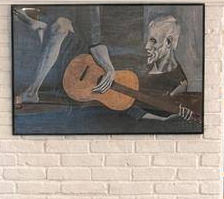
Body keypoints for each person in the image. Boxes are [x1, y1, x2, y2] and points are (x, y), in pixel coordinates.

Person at [13, 6, 197, 122]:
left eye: (153, 41)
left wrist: (163, 119)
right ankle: (33, 90)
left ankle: (41, 29)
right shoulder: (142, 58)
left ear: (169, 42)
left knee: (58, 30)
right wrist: (107, 68)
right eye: (148, 39)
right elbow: (99, 48)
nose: (147, 46)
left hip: (86, 91)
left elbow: (131, 106)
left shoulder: (177, 83)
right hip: (88, 63)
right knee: (61, 24)